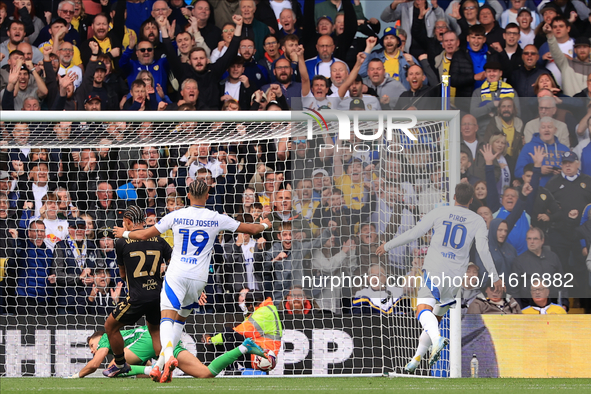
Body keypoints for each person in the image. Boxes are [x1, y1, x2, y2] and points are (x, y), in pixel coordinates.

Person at [113, 180, 271, 383]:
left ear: (188, 195)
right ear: (207, 196)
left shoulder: (176, 215)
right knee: (179, 320)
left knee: (167, 319)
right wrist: (267, 223)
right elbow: (252, 229)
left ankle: (168, 357)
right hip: (198, 280)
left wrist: (123, 233)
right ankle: (159, 366)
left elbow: (144, 234)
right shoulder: (216, 218)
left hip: (177, 275)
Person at [377, 182, 502, 373]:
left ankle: (437, 340)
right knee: (434, 318)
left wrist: (387, 246)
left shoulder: (440, 212)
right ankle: (417, 358)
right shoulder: (477, 220)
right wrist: (494, 276)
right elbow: (483, 251)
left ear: (454, 197)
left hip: (435, 270)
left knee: (422, 309)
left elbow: (414, 233)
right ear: (471, 200)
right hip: (455, 279)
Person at [102, 205, 172, 378]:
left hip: (137, 296)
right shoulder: (159, 240)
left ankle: (119, 364)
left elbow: (123, 274)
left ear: (128, 222)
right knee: (155, 331)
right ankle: (163, 367)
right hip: (157, 294)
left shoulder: (121, 242)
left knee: (110, 326)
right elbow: (174, 263)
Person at [69, 325, 266, 379]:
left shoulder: (105, 337)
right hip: (166, 339)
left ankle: (156, 367)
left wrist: (76, 375)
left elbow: (96, 364)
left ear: (97, 338)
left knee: (113, 368)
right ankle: (244, 347)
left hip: (149, 338)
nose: (92, 349)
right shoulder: (120, 345)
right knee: (206, 373)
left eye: (91, 345)